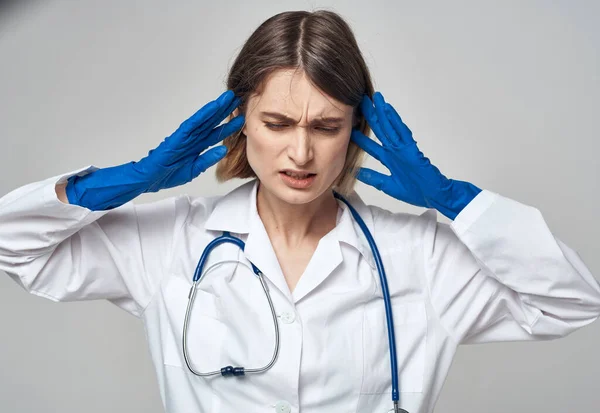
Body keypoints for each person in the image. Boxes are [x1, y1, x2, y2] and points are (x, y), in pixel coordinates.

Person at [1, 9, 599, 413]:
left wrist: (455, 202)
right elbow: (12, 245)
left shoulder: (420, 254)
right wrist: (122, 183)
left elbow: (573, 301)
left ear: (358, 133)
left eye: (327, 126)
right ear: (239, 124)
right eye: (277, 123)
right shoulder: (171, 243)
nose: (302, 151)